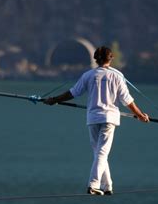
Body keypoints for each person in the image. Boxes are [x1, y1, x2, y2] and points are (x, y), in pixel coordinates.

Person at [44, 46, 149, 196]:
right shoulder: (117, 76)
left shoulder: (88, 75)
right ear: (111, 59)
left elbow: (72, 93)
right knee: (101, 153)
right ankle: (93, 185)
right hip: (109, 118)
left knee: (99, 153)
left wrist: (54, 100)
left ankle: (107, 186)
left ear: (95, 59)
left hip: (93, 119)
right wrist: (140, 115)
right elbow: (128, 101)